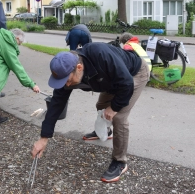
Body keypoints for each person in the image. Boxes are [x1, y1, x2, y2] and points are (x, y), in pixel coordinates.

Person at [31, 42, 150, 183]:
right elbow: (56, 104)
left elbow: (126, 83)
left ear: (79, 67)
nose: (66, 85)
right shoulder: (67, 72)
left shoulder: (100, 54)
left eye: (68, 81)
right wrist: (44, 137)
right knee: (101, 106)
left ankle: (120, 162)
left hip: (134, 75)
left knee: (118, 117)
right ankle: (106, 131)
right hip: (110, 81)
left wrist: (114, 107)